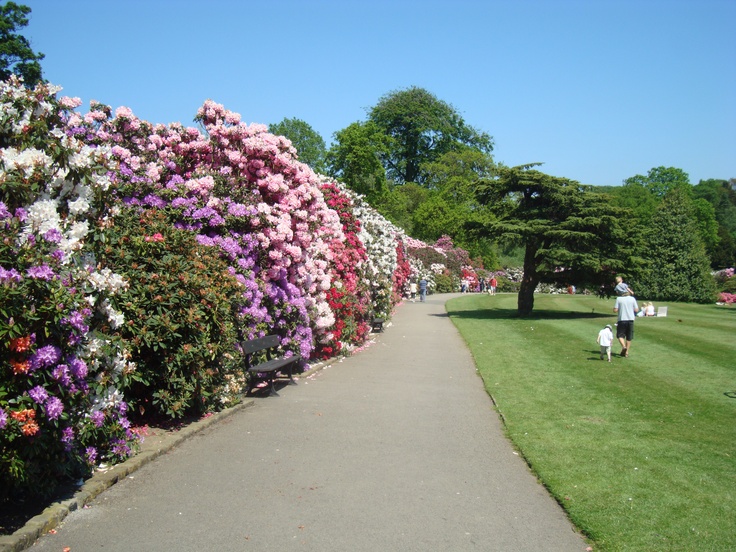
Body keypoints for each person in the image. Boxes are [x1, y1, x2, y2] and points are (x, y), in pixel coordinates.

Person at [613, 291, 639, 357]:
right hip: (630, 319)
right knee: (629, 336)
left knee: (620, 335)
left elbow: (615, 310)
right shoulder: (632, 299)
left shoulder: (619, 299)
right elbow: (636, 310)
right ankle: (626, 352)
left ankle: (624, 346)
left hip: (622, 319)